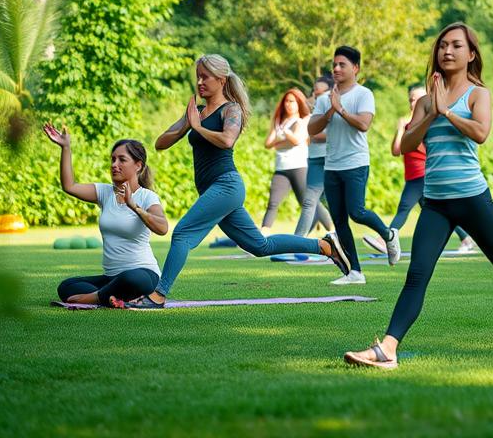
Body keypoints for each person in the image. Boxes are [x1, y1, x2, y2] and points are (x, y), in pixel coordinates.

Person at [343, 23, 493, 369]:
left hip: (472, 199)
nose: (447, 51)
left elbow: (481, 133)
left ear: (471, 54)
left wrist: (447, 111)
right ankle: (388, 349)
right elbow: (406, 145)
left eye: (455, 46)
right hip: (435, 204)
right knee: (416, 275)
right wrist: (431, 112)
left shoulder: (479, 94)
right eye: (442, 46)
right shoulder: (424, 101)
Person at [117, 54, 349, 308]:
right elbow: (160, 144)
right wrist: (188, 124)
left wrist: (199, 127)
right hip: (214, 190)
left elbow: (228, 140)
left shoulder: (231, 109)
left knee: (182, 233)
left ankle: (158, 295)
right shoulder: (196, 111)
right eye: (198, 77)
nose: (200, 82)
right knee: (260, 245)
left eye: (205, 77)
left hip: (226, 186)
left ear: (221, 79)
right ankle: (324, 246)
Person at [45, 124, 168, 306]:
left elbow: (163, 228)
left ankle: (95, 298)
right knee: (67, 286)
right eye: (112, 160)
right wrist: (66, 147)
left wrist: (134, 207)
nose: (114, 165)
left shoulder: (146, 196)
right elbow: (69, 186)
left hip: (143, 274)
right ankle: (111, 297)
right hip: (112, 279)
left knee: (132, 278)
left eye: (121, 160)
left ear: (138, 165)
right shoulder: (104, 192)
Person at [309, 45, 400, 285]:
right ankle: (355, 272)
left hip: (356, 163)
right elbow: (311, 130)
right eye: (335, 65)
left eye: (342, 65)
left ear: (355, 68)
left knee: (356, 212)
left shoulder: (363, 94)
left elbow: (363, 124)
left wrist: (340, 109)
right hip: (332, 166)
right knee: (339, 221)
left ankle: (388, 234)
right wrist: (330, 110)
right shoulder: (324, 99)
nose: (336, 69)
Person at [364, 85, 476, 255]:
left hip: (422, 174)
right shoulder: (408, 124)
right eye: (410, 99)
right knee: (443, 211)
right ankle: (466, 238)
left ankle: (385, 239)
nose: (412, 102)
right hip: (412, 175)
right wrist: (401, 129)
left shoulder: (428, 123)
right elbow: (396, 150)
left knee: (403, 207)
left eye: (416, 99)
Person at [260, 87, 334, 235]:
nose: (289, 104)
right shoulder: (279, 121)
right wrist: (284, 138)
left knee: (309, 203)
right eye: (286, 101)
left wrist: (282, 136)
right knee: (273, 203)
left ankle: (333, 231)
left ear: (298, 103)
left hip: (299, 167)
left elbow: (296, 141)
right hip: (281, 168)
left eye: (292, 101)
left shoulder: (302, 121)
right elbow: (268, 143)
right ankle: (261, 237)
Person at [296, 75, 336, 237]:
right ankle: (298, 240)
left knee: (313, 201)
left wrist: (313, 133)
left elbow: (330, 134)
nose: (315, 95)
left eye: (319, 92)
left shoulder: (334, 108)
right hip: (314, 159)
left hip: (330, 159)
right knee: (312, 201)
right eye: (314, 91)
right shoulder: (314, 110)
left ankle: (298, 240)